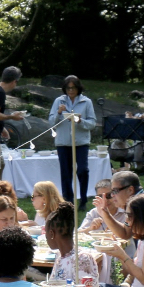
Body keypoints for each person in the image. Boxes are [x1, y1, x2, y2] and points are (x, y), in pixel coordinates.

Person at [49, 75, 97, 210]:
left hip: (81, 142)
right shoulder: (59, 101)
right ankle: (68, 201)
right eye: (68, 88)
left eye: (73, 88)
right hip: (63, 142)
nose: (71, 91)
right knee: (66, 172)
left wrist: (80, 121)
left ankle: (83, 199)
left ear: (78, 88)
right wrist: (59, 113)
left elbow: (92, 123)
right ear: (64, 89)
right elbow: (51, 122)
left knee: (82, 170)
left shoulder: (86, 102)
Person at [44, 202, 99, 287]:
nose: (45, 237)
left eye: (45, 233)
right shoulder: (60, 256)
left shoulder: (81, 259)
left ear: (51, 234)